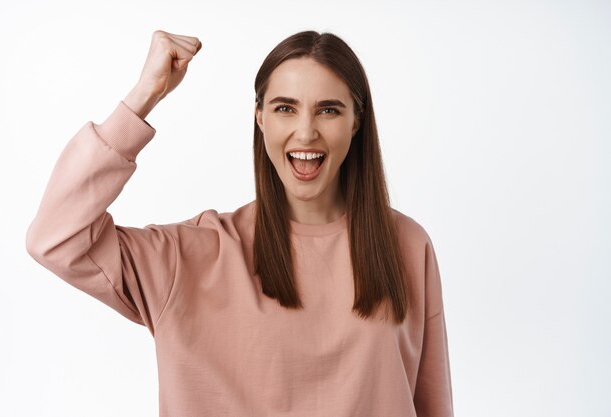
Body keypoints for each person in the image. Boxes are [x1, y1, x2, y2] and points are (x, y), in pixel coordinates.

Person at [26, 29, 454, 417]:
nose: (306, 133)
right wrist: (144, 96)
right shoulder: (192, 256)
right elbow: (55, 237)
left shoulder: (406, 245)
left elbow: (433, 405)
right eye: (285, 108)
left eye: (328, 110)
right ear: (260, 117)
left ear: (356, 122)